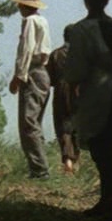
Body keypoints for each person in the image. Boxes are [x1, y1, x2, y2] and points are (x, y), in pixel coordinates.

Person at [64, 0, 112, 221]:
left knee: (100, 148)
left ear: (86, 0)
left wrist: (73, 91)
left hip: (98, 96)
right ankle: (109, 199)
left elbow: (75, 70)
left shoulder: (82, 30)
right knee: (108, 147)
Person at [9, 0, 52, 180]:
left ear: (23, 5)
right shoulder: (42, 20)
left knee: (28, 122)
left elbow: (26, 50)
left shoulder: (29, 21)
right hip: (42, 73)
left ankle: (39, 169)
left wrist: (18, 76)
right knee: (35, 122)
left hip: (33, 72)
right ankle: (39, 168)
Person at [45, 24, 80, 173]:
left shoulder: (55, 54)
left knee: (62, 126)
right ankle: (76, 160)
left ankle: (68, 161)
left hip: (60, 91)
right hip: (79, 91)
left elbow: (49, 79)